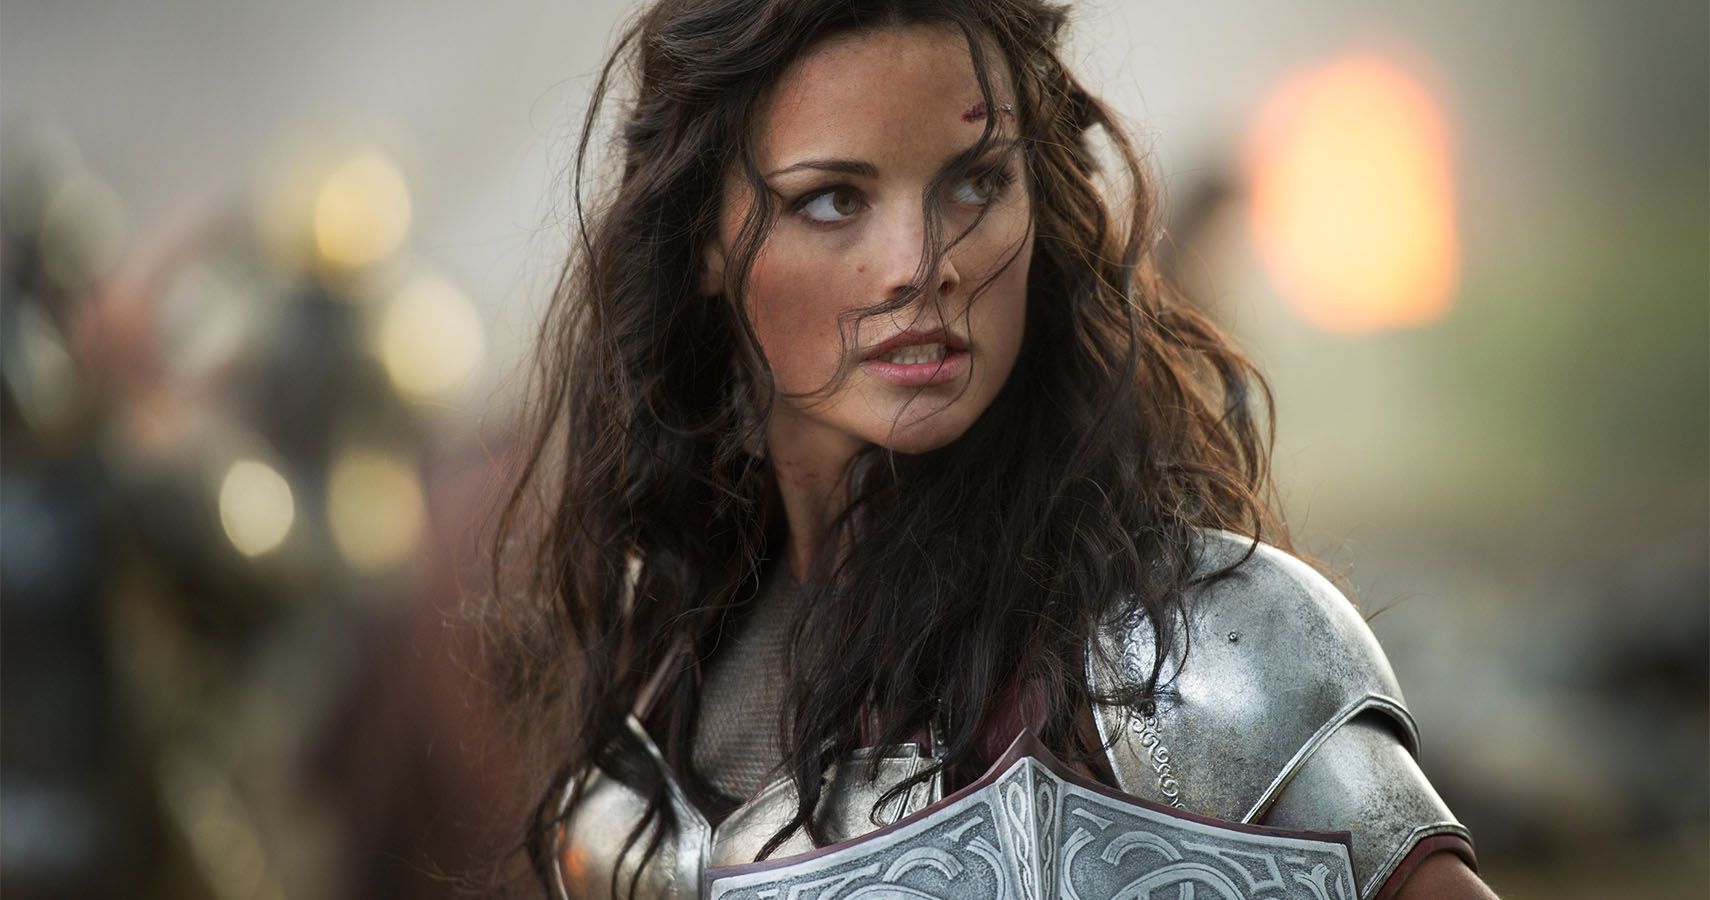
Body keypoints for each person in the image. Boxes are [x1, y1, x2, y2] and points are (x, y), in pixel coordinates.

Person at [487, 1, 1498, 898]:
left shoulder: (1197, 666)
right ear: (705, 241)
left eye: (975, 183)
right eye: (834, 198)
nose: (922, 265)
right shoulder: (658, 724)